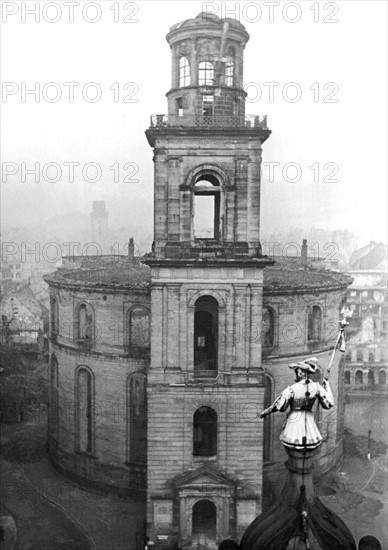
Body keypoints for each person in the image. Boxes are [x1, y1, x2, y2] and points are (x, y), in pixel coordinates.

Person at [260, 357, 334, 451]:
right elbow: (328, 404)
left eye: (296, 371)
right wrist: (327, 386)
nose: (296, 374)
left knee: (294, 447)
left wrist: (265, 412)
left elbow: (280, 407)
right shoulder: (317, 387)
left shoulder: (291, 389)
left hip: (294, 424)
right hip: (309, 424)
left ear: (301, 373)